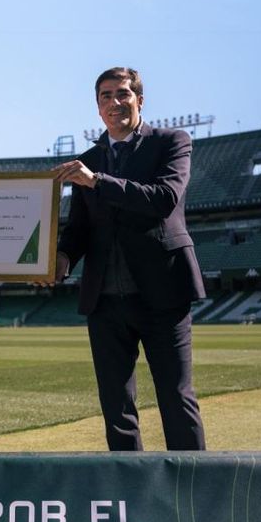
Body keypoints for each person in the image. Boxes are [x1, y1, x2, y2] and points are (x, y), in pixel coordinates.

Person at [51, 67, 206, 451]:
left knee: (176, 396)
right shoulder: (88, 159)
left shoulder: (172, 142)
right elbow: (79, 228)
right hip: (104, 299)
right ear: (97, 107)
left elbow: (163, 199)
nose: (114, 102)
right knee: (116, 405)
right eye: (105, 96)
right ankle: (128, 483)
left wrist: (97, 181)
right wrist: (62, 257)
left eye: (122, 93)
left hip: (163, 292)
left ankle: (192, 483)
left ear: (140, 99)